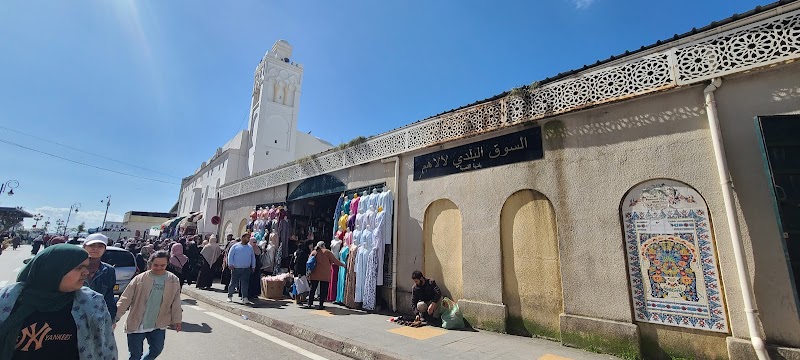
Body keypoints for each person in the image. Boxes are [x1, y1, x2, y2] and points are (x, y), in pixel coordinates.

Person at [0, 244, 117, 359]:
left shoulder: (92, 303)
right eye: (79, 267)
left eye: (86, 267)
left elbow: (107, 348)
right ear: (53, 270)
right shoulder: (7, 300)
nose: (86, 272)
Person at [116, 251, 182, 360]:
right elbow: (125, 299)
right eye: (156, 265)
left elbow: (176, 302)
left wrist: (177, 320)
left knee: (156, 350)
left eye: (162, 265)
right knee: (135, 355)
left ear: (167, 264)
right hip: (138, 323)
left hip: (158, 324)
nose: (159, 268)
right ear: (150, 263)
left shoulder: (173, 280)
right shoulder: (140, 279)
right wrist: (116, 317)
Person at [83, 233, 118, 321]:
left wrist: (111, 320)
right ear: (84, 246)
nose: (95, 249)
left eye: (100, 246)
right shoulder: (73, 267)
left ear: (105, 249)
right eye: (91, 245)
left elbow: (109, 298)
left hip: (97, 319)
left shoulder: (109, 270)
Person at [307, 241, 345, 310]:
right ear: (323, 245)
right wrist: (342, 264)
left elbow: (309, 262)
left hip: (314, 273)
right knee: (323, 290)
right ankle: (321, 304)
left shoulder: (314, 252)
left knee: (312, 289)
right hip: (324, 274)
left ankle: (310, 303)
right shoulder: (327, 252)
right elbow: (335, 260)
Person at [226, 233, 255, 305]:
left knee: (245, 284)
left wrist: (253, 266)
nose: (248, 239)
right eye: (247, 237)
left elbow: (252, 257)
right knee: (233, 283)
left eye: (249, 238)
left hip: (246, 268)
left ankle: (245, 298)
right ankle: (230, 296)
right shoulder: (235, 246)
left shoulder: (250, 247)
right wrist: (230, 264)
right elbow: (230, 255)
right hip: (236, 268)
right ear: (243, 238)